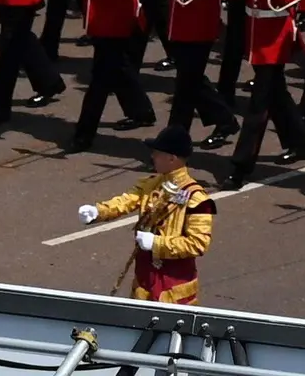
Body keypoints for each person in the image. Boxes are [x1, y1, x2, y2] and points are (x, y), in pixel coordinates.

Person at [81, 129, 220, 304]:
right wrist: (99, 211)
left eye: (158, 153)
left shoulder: (196, 199)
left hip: (174, 288)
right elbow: (126, 201)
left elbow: (198, 244)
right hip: (144, 280)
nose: (153, 156)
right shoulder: (151, 184)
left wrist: (156, 243)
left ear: (172, 158)